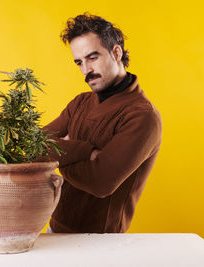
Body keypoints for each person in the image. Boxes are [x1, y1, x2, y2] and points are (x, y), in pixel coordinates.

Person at [43, 12, 162, 233]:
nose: (86, 70)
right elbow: (33, 144)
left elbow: (101, 182)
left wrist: (58, 157)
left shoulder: (143, 116)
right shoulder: (80, 102)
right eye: (79, 62)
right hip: (54, 230)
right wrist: (86, 152)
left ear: (116, 52)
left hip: (101, 240)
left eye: (92, 57)